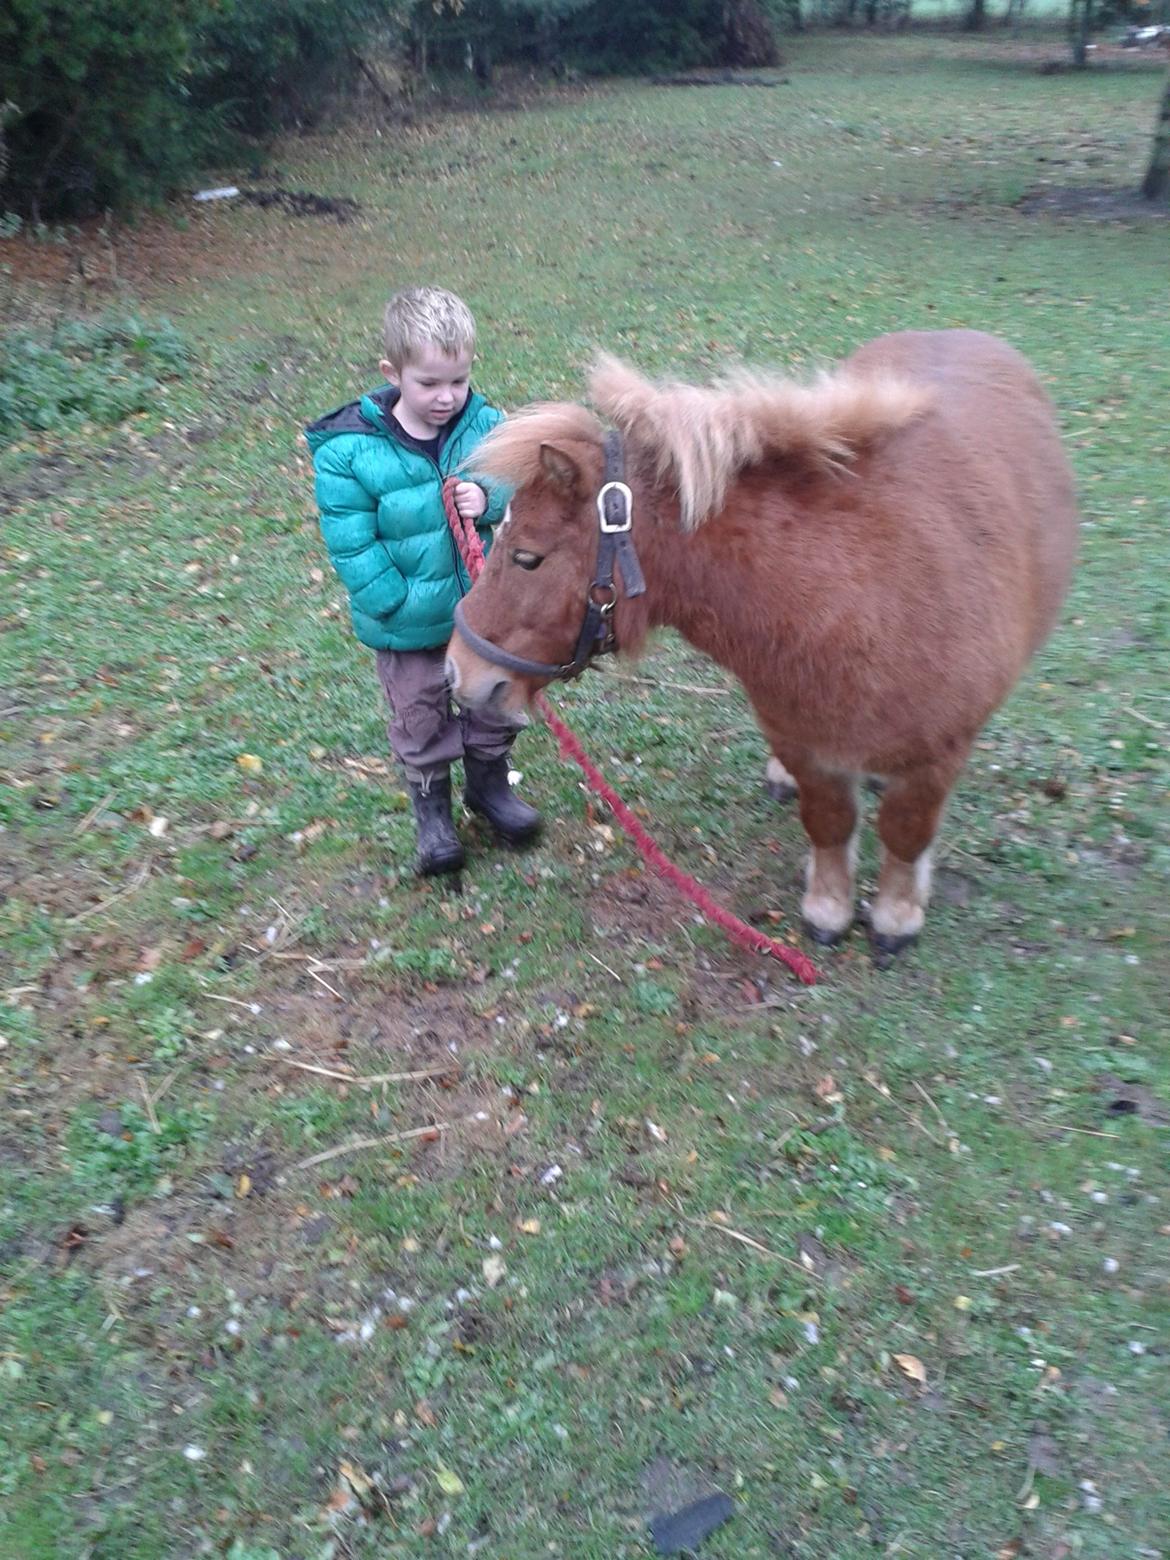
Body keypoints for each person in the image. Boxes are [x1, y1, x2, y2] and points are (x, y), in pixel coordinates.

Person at [305, 286, 540, 875]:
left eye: (458, 381)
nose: (446, 397)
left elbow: (519, 484)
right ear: (392, 372)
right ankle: (432, 812)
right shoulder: (348, 451)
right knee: (420, 713)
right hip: (407, 624)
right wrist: (394, 601)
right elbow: (350, 538)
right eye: (429, 383)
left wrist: (489, 496)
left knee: (493, 704)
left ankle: (489, 788)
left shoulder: (485, 425)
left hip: (484, 615)